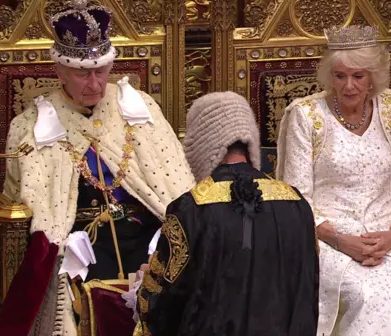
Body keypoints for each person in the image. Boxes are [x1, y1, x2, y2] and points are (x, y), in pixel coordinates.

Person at [0, 0, 195, 336]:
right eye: (83, 73)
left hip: (146, 241)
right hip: (80, 248)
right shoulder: (33, 124)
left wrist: (163, 240)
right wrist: (61, 241)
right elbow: (27, 203)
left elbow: (172, 188)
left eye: (101, 71)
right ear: (60, 71)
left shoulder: (139, 107)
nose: (95, 83)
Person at [276, 25, 391, 336]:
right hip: (326, 242)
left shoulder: (389, 108)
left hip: (390, 242)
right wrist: (342, 241)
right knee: (364, 294)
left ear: (373, 76)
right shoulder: (305, 117)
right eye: (339, 75)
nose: (348, 86)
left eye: (358, 76)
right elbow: (297, 200)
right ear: (329, 75)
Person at [136, 92, 319, 335]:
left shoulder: (190, 209)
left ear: (201, 144)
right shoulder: (297, 203)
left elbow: (160, 301)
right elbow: (309, 290)